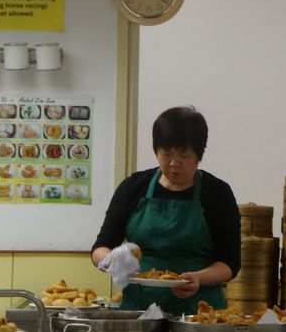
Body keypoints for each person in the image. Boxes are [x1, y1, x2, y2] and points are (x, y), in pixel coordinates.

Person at [91, 106, 241, 315]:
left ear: (199, 154)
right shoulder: (134, 187)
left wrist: (198, 278)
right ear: (156, 150)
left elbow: (229, 263)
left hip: (199, 312)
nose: (174, 164)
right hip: (139, 311)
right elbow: (101, 246)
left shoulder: (217, 193)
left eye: (184, 155)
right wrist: (110, 261)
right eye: (166, 154)